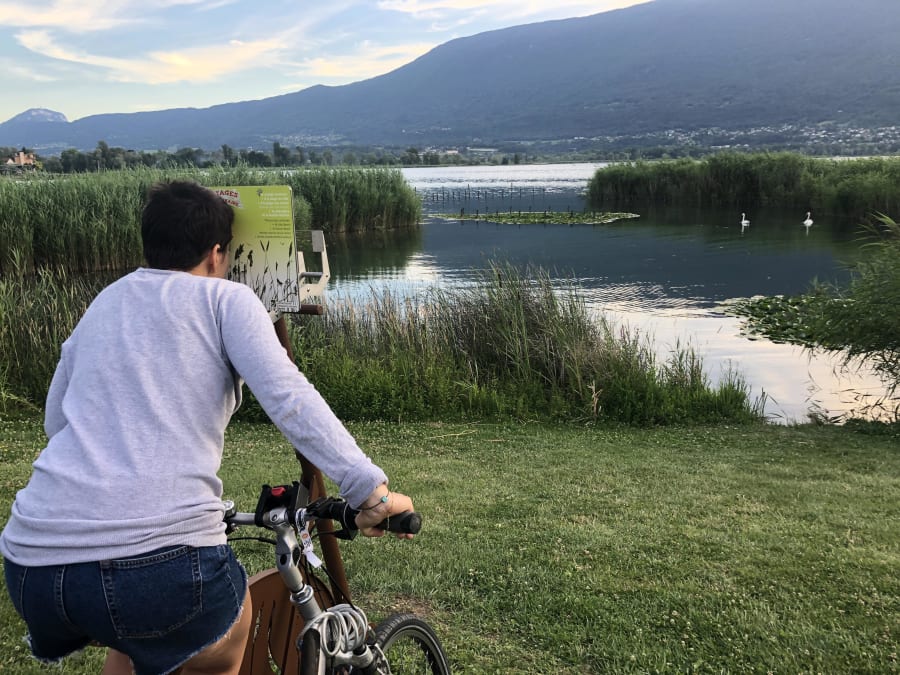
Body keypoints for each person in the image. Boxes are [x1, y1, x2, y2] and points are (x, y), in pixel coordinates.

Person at [0, 180, 414, 675]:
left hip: (33, 567)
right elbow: (290, 398)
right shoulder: (228, 299)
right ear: (217, 254)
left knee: (138, 636)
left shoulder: (106, 302)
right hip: (156, 570)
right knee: (229, 627)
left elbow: (56, 422)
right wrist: (371, 493)